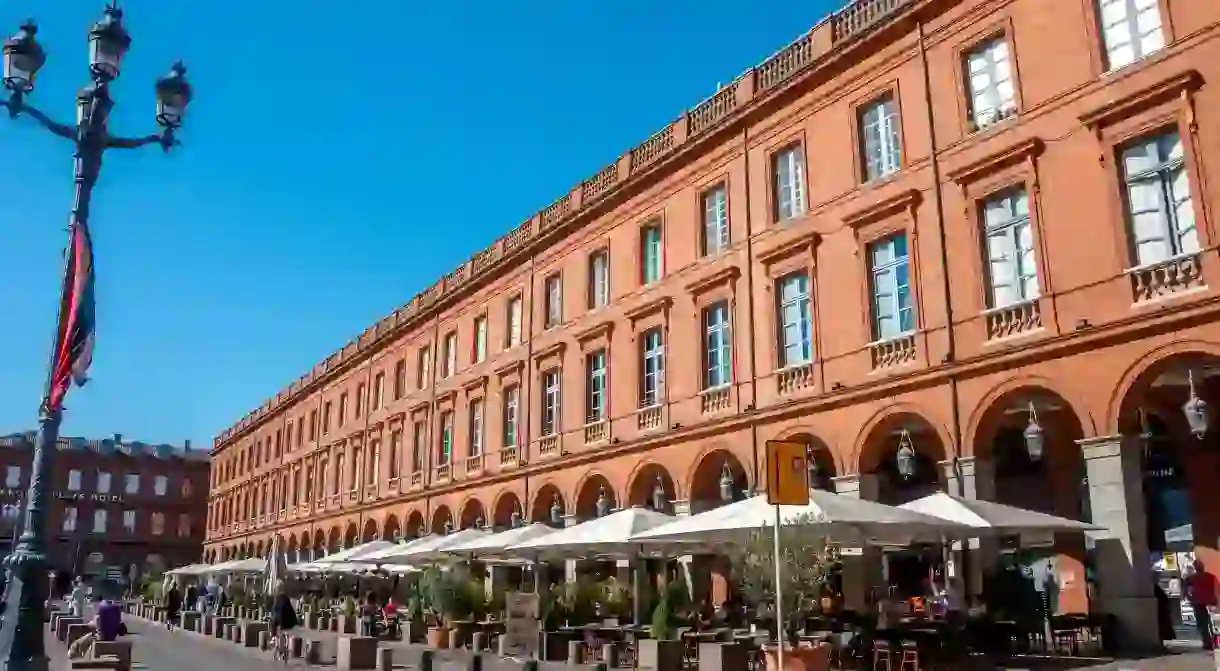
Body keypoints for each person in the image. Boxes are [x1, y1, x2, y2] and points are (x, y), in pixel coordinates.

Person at [1184, 560, 1217, 650]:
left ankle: (1209, 642)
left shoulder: (1193, 578)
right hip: (1205, 603)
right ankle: (1210, 642)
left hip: (1203, 603)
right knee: (1208, 624)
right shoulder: (1208, 577)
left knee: (1206, 624)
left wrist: (1187, 596)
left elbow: (1184, 587)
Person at [270, 592, 298, 662]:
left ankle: (276, 644)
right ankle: (286, 647)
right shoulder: (288, 605)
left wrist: (273, 633)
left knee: (279, 635)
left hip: (280, 625)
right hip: (288, 626)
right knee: (286, 635)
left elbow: (274, 618)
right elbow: (294, 618)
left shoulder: (277, 606)